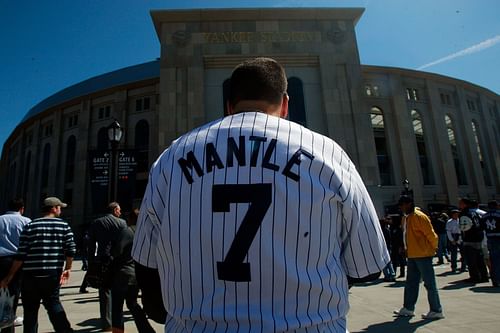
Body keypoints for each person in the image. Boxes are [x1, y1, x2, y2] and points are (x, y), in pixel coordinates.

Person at [132, 57, 390, 332]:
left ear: (229, 106)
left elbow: (148, 276)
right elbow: (368, 266)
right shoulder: (327, 153)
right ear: (286, 104)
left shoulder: (172, 158)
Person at [0, 197, 75, 333]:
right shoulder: (63, 225)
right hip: (52, 273)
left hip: (30, 275)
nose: (61, 210)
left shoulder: (30, 225)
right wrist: (68, 268)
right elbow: (70, 250)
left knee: (30, 310)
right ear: (53, 208)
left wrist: (10, 276)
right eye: (59, 207)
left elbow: (21, 254)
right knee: (53, 305)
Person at [394, 195, 444, 320]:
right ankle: (408, 308)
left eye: (403, 205)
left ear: (409, 204)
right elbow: (405, 235)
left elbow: (431, 234)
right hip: (412, 255)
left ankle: (436, 309)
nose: (401, 208)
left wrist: (434, 248)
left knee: (429, 283)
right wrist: (404, 248)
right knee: (411, 282)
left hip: (423, 254)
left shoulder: (419, 217)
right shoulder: (406, 218)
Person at [109, 208, 155, 333]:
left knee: (117, 307)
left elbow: (116, 251)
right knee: (133, 304)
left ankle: (118, 331)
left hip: (123, 274)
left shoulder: (127, 231)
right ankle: (146, 330)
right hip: (137, 274)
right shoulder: (145, 232)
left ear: (130, 219)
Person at [88, 202, 127, 331]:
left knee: (104, 291)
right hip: (117, 260)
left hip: (101, 260)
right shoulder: (122, 223)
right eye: (119, 210)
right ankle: (117, 322)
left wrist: (91, 262)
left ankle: (106, 323)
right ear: (115, 210)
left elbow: (91, 244)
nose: (120, 212)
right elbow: (125, 242)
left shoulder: (96, 222)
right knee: (118, 292)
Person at [0, 198, 31, 332]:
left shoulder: (0, 219)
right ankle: (7, 326)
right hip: (16, 262)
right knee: (12, 295)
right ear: (22, 208)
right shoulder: (26, 222)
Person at [459, 198, 488, 283]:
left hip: (470, 238)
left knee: (471, 260)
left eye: (460, 203)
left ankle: (475, 277)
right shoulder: (474, 212)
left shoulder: (464, 213)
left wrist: (463, 236)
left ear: (465, 204)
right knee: (480, 259)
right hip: (478, 237)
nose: (459, 205)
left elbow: (464, 227)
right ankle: (484, 276)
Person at [480, 200, 500, 287]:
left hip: (490, 239)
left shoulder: (484, 216)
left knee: (494, 260)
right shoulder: (499, 214)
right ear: (497, 206)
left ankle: (495, 280)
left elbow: (481, 228)